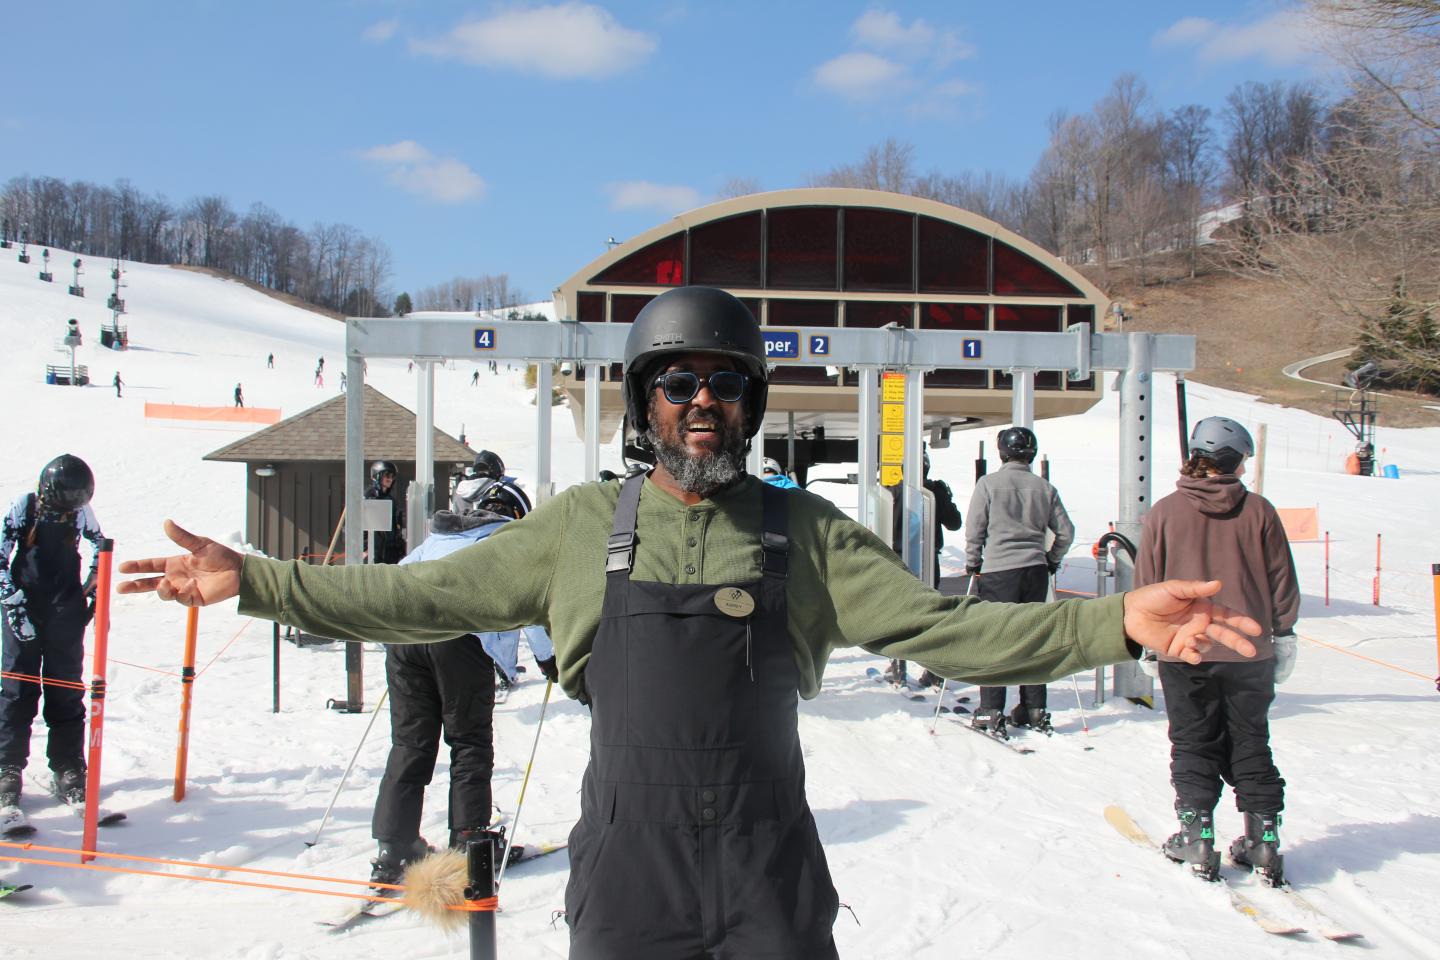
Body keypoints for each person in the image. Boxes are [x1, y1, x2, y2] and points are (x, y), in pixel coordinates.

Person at [117, 286, 1260, 960]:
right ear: (645, 402)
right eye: (678, 383)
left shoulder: (802, 533)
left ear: (752, 404)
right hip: (629, 871)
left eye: (724, 383)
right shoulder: (577, 530)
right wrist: (261, 580)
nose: (702, 401)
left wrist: (1115, 625)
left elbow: (943, 632)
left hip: (770, 871)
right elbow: (416, 599)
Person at [1136, 416, 1300, 886]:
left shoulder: (1164, 512)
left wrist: (1149, 641)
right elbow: (1282, 581)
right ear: (1235, 460)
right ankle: (1263, 839)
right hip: (1249, 650)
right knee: (1250, 739)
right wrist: (1283, 633)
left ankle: (1197, 833)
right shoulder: (1259, 511)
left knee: (1193, 740)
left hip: (1183, 647)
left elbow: (1147, 583)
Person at [369, 477, 556, 887]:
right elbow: (529, 600)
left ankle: (394, 846)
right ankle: (470, 840)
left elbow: (397, 577)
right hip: (457, 642)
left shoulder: (436, 538)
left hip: (405, 641)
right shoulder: (500, 541)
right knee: (469, 743)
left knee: (410, 744)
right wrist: (549, 659)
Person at [0, 456, 104, 808]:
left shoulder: (81, 511)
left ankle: (68, 765)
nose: (71, 506)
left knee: (65, 687)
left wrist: (91, 588)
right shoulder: (24, 507)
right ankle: (7, 767)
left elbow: (100, 546)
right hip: (24, 605)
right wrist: (13, 605)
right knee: (17, 689)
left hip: (64, 608)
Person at [963, 426, 1074, 736]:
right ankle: (1034, 708)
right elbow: (1066, 531)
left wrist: (973, 561)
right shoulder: (1044, 488)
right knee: (1033, 638)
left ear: (1002, 452)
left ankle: (991, 708)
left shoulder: (989, 484)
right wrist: (1052, 559)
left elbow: (975, 529)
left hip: (999, 571)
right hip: (1035, 571)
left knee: (996, 638)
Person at [366, 461, 405, 565]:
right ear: (377, 476)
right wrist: (365, 548)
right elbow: (362, 525)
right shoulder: (368, 496)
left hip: (391, 551)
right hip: (373, 550)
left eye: (392, 476)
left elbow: (395, 525)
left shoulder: (391, 499)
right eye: (387, 475)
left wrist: (399, 544)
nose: (390, 479)